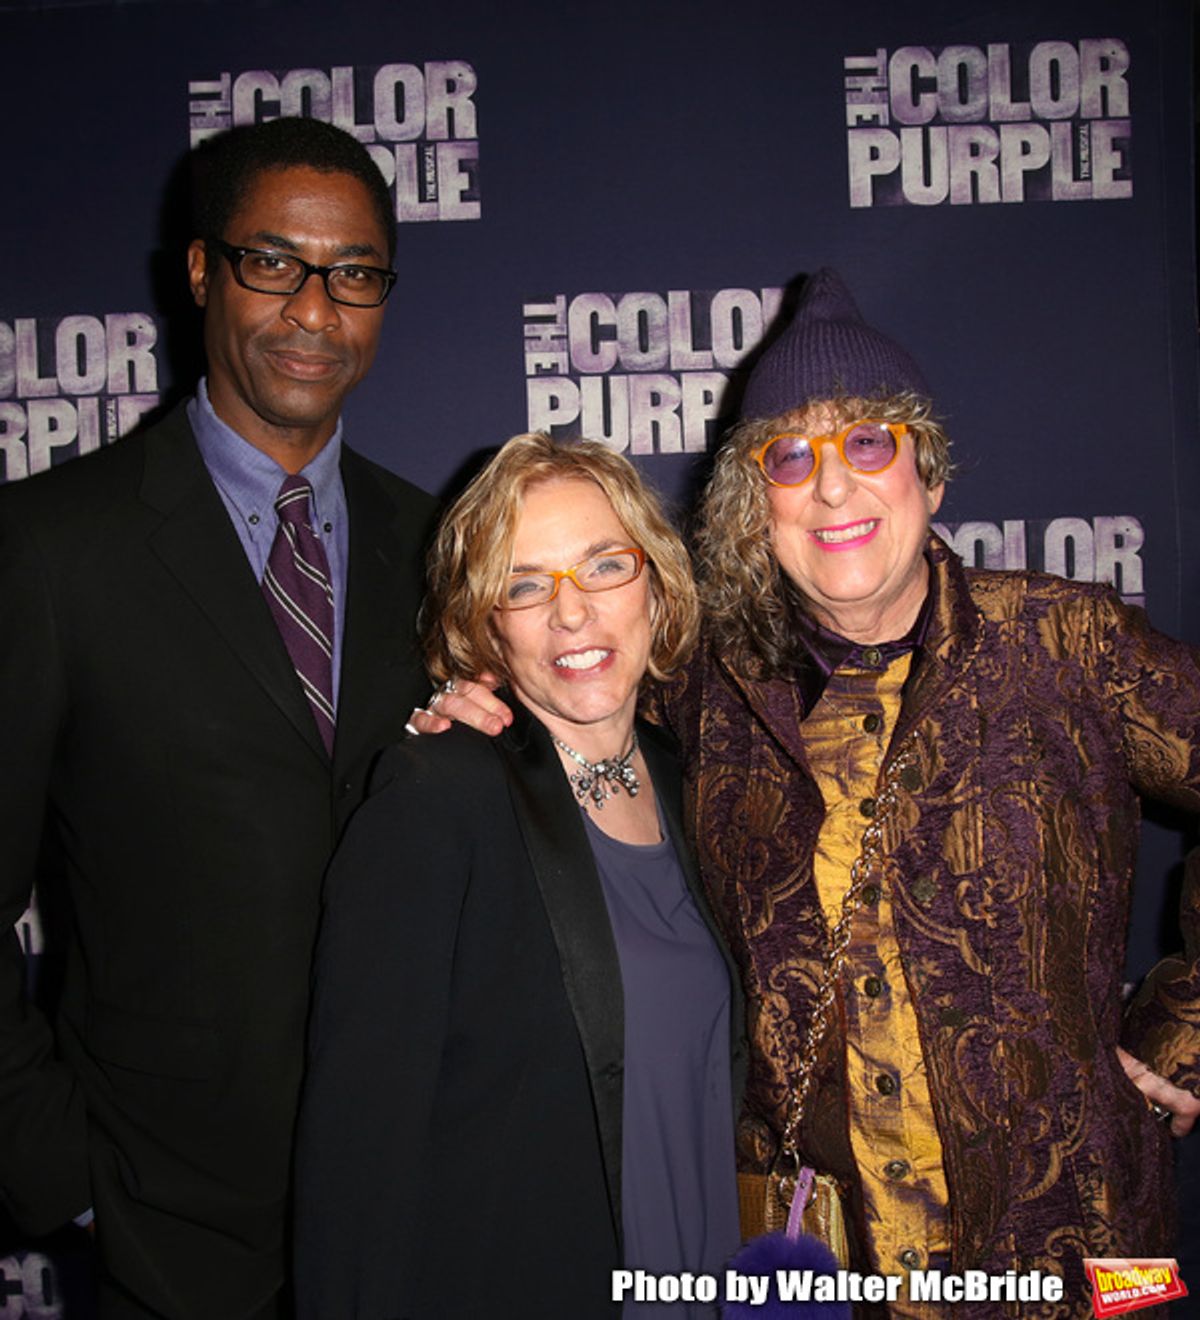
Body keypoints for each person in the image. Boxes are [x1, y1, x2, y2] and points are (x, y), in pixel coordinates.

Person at [428, 270, 1200, 1316]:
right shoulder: (702, 686)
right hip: (819, 1273)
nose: (834, 488)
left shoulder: (1069, 645)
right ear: (759, 505)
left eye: (869, 442)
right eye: (791, 457)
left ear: (926, 468)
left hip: (1079, 1254)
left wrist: (1181, 1029)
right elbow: (567, 688)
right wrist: (474, 713)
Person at [0, 117, 436, 1319]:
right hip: (167, 1233)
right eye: (273, 262)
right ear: (201, 271)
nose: (314, 309)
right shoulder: (50, 550)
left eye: (353, 273)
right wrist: (65, 1172)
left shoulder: (443, 547)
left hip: (422, 1207)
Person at [294, 433, 744, 1319]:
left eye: (604, 567)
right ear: (482, 623)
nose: (571, 615)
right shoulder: (439, 795)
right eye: (525, 584)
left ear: (657, 584)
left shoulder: (698, 778)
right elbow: (358, 1156)